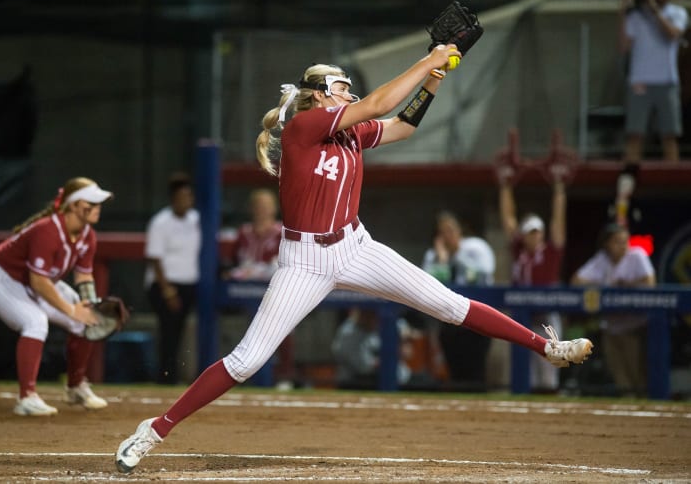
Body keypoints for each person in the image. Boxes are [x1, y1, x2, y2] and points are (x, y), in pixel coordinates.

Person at [115, 46, 593, 473]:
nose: (349, 91)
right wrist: (427, 60)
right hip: (304, 260)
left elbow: (402, 125)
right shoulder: (303, 125)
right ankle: (154, 429)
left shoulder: (349, 133)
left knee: (449, 304)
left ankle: (545, 347)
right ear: (318, 94)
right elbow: (381, 104)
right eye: (340, 85)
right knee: (246, 360)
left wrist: (430, 82)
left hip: (355, 246)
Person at [0, 177, 113, 416]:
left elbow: (84, 275)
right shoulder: (48, 230)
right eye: (92, 203)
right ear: (74, 205)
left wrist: (90, 303)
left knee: (84, 319)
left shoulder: (88, 235)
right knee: (35, 322)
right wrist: (71, 309)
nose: (97, 208)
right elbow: (39, 281)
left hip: (36, 283)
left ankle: (75, 386)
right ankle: (26, 398)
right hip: (4, 278)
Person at [498, 175, 567, 393]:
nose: (535, 237)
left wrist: (559, 191)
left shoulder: (550, 251)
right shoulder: (519, 249)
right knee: (521, 367)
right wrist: (506, 186)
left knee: (549, 365)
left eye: (538, 233)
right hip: (522, 315)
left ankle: (549, 400)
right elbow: (508, 219)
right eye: (530, 233)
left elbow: (558, 221)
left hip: (546, 314)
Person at [571, 222, 656, 397]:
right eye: (617, 241)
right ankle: (629, 405)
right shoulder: (602, 259)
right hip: (611, 325)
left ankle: (644, 403)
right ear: (607, 244)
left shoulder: (637, 255)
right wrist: (604, 285)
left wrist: (627, 285)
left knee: (637, 373)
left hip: (635, 325)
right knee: (619, 375)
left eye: (625, 241)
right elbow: (576, 281)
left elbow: (650, 283)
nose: (623, 246)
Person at [223, 188, 294, 390]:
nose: (261, 210)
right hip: (247, 291)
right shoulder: (244, 233)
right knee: (250, 333)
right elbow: (235, 261)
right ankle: (245, 376)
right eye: (258, 206)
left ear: (274, 209)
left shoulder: (283, 231)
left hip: (276, 290)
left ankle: (284, 376)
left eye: (266, 206)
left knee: (283, 331)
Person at [421, 211, 495, 391]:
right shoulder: (434, 255)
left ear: (459, 230)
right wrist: (443, 260)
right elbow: (423, 281)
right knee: (456, 373)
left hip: (477, 319)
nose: (448, 235)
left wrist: (456, 255)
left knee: (476, 372)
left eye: (451, 230)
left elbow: (484, 272)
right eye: (442, 232)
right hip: (449, 322)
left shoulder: (475, 247)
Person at [620, 0, 689, 163]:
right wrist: (623, 13)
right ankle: (630, 177)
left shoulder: (677, 13)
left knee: (669, 134)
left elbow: (672, 35)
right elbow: (623, 46)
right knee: (635, 133)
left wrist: (655, 11)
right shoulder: (636, 16)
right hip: (640, 81)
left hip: (667, 81)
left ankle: (672, 178)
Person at [144, 172, 200, 385]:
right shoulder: (161, 222)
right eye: (182, 197)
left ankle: (173, 375)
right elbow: (154, 258)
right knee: (169, 331)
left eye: (189, 197)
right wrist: (167, 290)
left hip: (188, 283)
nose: (187, 201)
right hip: (165, 285)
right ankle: (165, 376)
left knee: (179, 332)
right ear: (173, 199)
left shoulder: (195, 219)